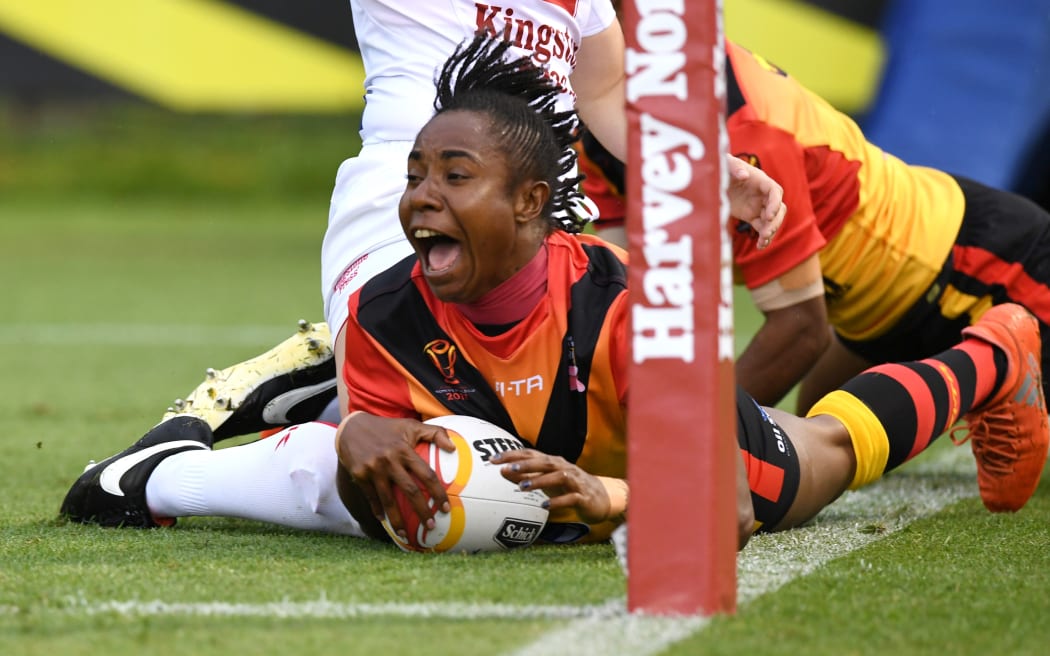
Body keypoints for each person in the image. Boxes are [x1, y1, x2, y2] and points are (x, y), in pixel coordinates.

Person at [61, 36, 1050, 550]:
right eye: (416, 175)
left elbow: (727, 511)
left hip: (945, 272)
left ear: (533, 202)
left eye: (455, 178)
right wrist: (358, 427)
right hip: (798, 316)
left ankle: (998, 352)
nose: (419, 199)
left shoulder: (624, 301)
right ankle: (155, 467)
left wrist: (613, 493)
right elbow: (373, 465)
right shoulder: (384, 311)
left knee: (818, 449)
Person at [157, 0, 786, 442]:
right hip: (404, 202)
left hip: (536, 220)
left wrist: (700, 166)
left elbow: (604, 90)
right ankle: (167, 476)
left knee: (547, 445)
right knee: (412, 474)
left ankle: (321, 388)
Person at [586, 38, 1050, 415]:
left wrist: (681, 444)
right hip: (870, 321)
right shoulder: (597, 127)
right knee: (816, 429)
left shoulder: (743, 130)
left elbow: (800, 329)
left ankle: (1003, 381)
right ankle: (995, 389)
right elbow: (621, 299)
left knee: (770, 445)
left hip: (984, 261)